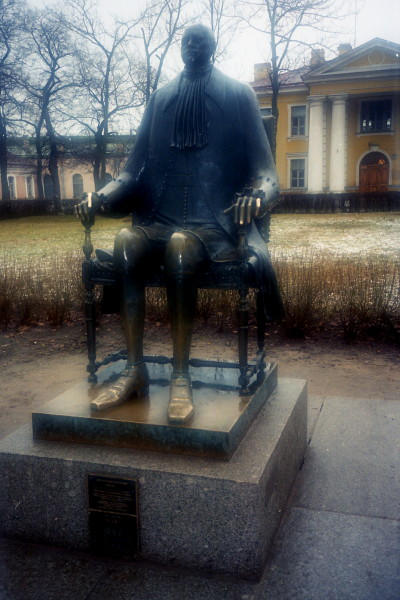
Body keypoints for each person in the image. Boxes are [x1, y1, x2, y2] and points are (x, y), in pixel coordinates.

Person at [76, 24, 282, 424]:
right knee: (125, 240)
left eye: (199, 40)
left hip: (217, 225)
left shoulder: (238, 94)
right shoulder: (161, 99)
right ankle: (134, 370)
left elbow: (267, 174)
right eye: (186, 41)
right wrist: (99, 197)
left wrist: (258, 195)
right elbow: (132, 171)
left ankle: (181, 376)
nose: (192, 46)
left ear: (212, 47)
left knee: (181, 246)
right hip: (160, 218)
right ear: (180, 48)